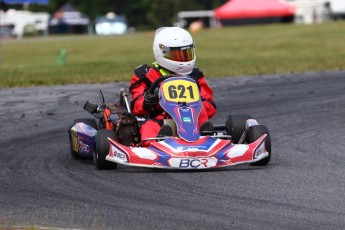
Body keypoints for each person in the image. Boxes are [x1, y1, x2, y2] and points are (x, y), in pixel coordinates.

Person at [129, 26, 217, 146]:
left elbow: (210, 106)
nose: (182, 59)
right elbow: (136, 105)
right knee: (150, 125)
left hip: (192, 121)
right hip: (161, 120)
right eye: (176, 54)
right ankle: (161, 141)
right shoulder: (146, 75)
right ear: (161, 52)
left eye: (186, 53)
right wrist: (148, 101)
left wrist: (197, 103)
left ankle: (206, 136)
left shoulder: (195, 75)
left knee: (202, 116)